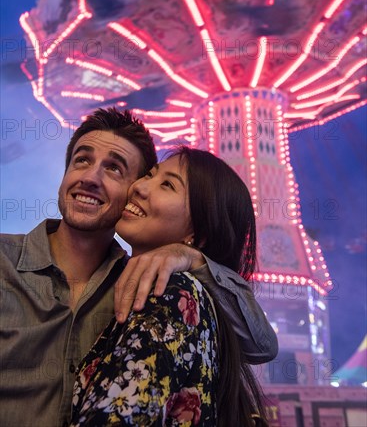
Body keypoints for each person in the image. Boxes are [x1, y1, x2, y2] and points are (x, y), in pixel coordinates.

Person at [0, 108, 277, 427]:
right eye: (82, 160)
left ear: (131, 190)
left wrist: (191, 258)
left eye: (115, 169)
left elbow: (262, 344)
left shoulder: (154, 290)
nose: (90, 178)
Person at [71, 147, 268, 426]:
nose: (139, 187)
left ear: (196, 234)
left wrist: (191, 258)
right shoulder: (165, 287)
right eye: (150, 175)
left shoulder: (171, 293)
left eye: (167, 184)